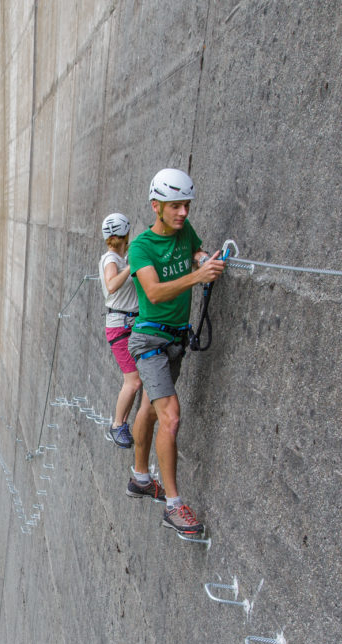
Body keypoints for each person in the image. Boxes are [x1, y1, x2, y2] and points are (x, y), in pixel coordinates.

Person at [125, 168, 225, 535]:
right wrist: (198, 278)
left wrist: (200, 259)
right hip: (149, 341)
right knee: (171, 417)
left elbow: (195, 249)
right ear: (156, 206)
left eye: (187, 205)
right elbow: (153, 292)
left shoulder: (185, 232)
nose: (184, 212)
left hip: (176, 341)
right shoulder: (141, 247)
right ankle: (174, 505)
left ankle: (139, 477)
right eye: (176, 206)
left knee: (151, 410)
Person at [98, 213, 142, 449]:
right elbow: (112, 284)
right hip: (121, 327)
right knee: (133, 381)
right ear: (125, 234)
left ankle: (121, 423)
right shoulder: (111, 259)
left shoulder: (118, 258)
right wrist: (131, 268)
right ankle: (117, 425)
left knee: (136, 379)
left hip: (128, 324)